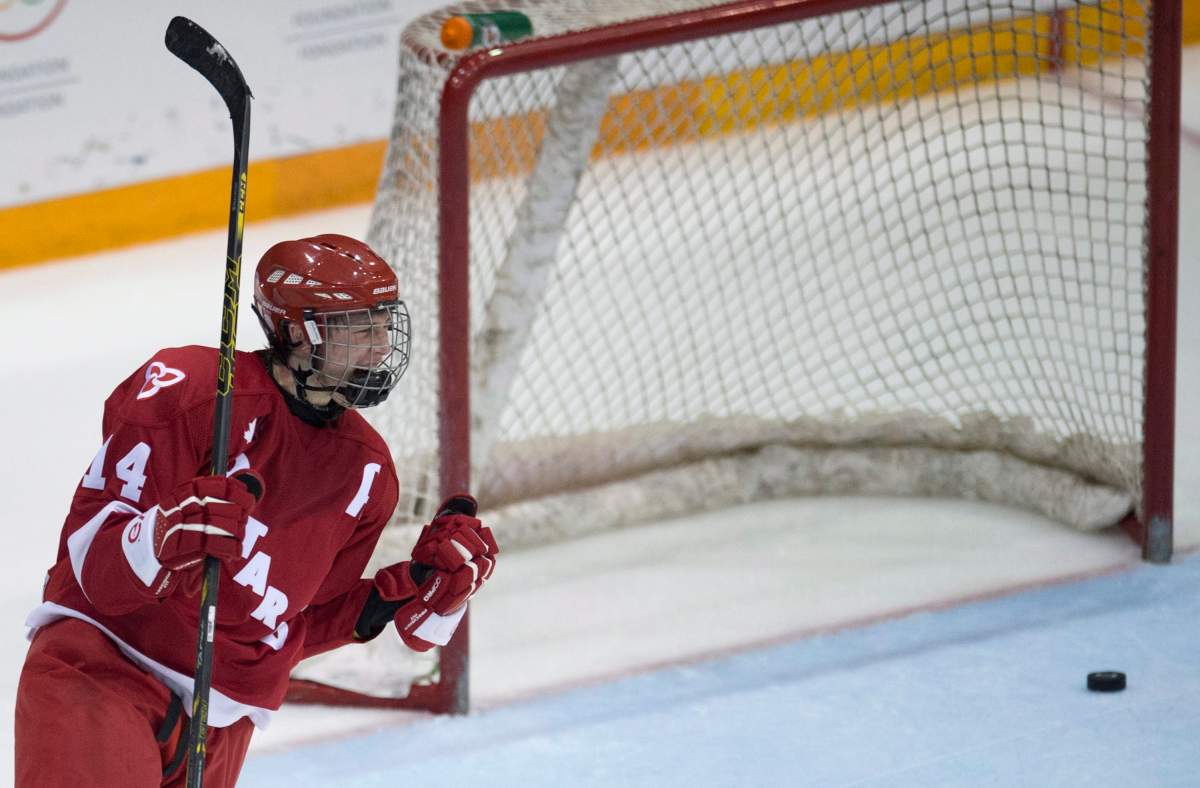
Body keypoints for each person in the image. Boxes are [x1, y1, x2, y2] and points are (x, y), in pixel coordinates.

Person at [15, 234, 498, 787]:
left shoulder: (367, 474)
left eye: (384, 324)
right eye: (359, 327)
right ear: (296, 332)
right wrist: (159, 536)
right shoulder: (191, 391)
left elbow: (285, 623)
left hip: (225, 717)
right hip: (102, 672)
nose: (379, 345)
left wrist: (397, 595)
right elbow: (96, 572)